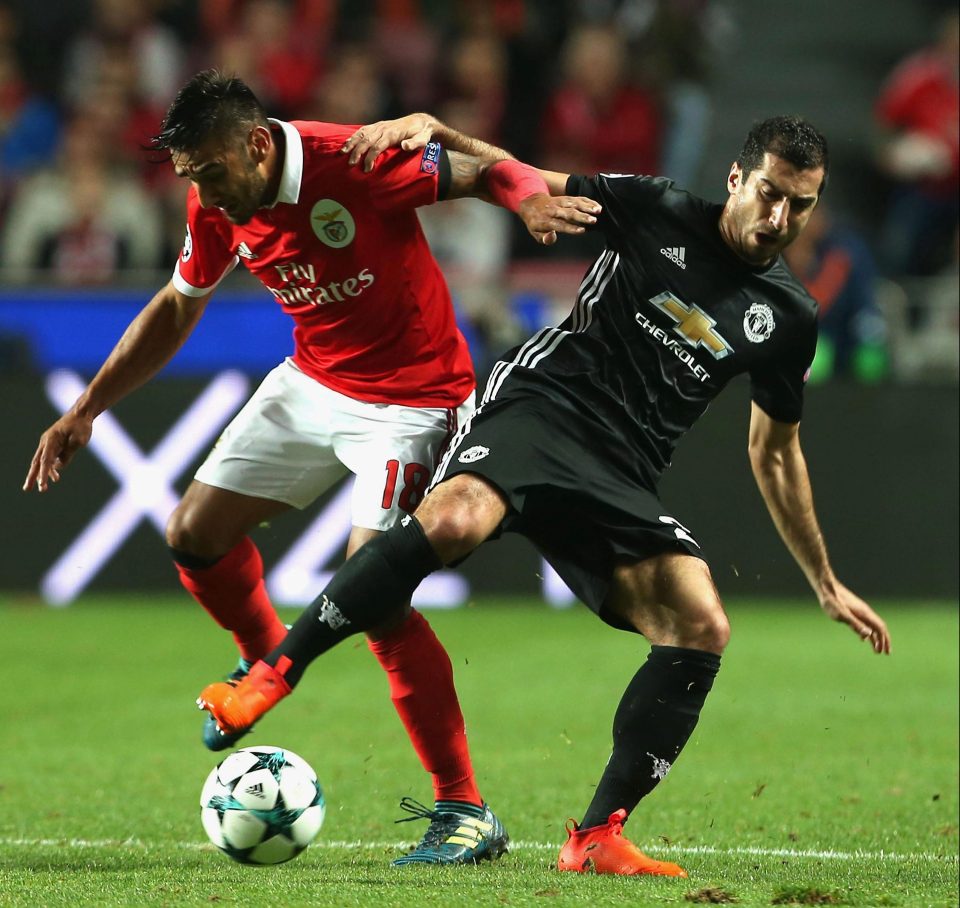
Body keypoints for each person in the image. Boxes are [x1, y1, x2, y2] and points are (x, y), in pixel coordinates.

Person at [198, 113, 893, 877]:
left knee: (701, 621)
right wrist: (438, 131)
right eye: (768, 194)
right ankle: (274, 672)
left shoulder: (790, 315)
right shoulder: (656, 207)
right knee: (456, 519)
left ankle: (596, 835)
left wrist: (824, 581)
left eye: (800, 204)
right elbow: (522, 173)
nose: (778, 218)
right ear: (737, 179)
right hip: (543, 406)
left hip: (622, 471)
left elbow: (776, 449)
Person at [22, 70, 599, 866]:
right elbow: (177, 303)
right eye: (192, 178)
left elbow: (480, 170)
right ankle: (263, 649)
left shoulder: (353, 161)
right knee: (194, 532)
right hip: (312, 381)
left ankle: (464, 810)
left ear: (257, 145)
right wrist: (89, 407)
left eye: (214, 173)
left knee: (377, 589)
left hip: (413, 400)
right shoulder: (216, 193)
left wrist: (528, 196)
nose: (206, 195)